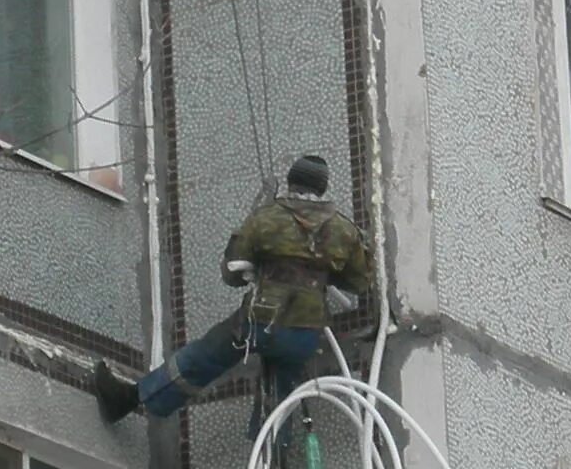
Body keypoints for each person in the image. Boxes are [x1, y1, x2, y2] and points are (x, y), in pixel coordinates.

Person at [95, 153, 375, 423]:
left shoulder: (267, 216)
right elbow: (360, 281)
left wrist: (258, 269)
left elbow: (232, 272)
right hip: (305, 334)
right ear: (322, 188)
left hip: (261, 323)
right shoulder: (343, 231)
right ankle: (275, 459)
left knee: (205, 355)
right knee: (284, 397)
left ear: (291, 182)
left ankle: (134, 398)